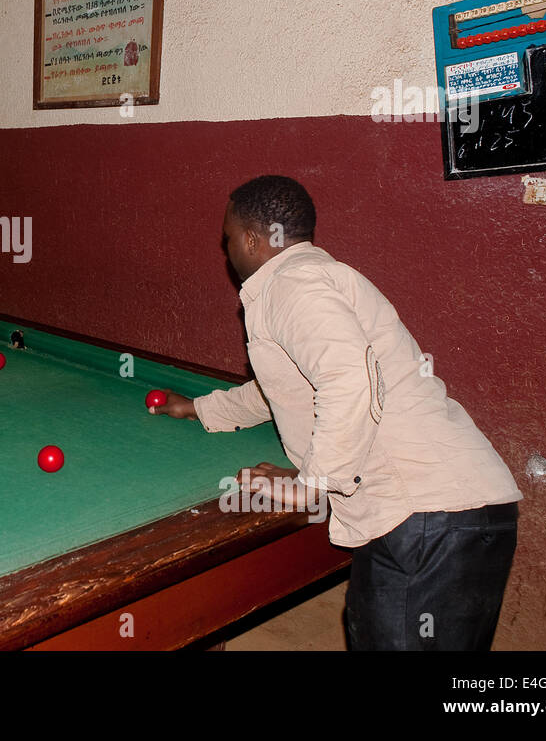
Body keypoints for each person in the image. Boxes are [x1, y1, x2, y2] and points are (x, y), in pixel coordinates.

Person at [151, 175, 521, 650]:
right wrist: (203, 409)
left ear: (249, 238)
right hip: (454, 511)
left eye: (227, 239)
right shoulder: (313, 279)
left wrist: (310, 486)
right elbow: (286, 386)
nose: (226, 251)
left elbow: (349, 380)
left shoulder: (292, 285)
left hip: (426, 517)